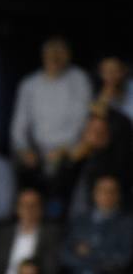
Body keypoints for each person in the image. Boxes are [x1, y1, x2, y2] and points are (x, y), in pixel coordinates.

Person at [10, 36, 92, 177]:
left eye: (59, 53)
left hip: (72, 152)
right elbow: (19, 124)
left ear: (68, 55)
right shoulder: (29, 84)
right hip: (39, 153)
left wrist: (67, 148)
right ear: (43, 56)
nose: (54, 58)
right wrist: (24, 149)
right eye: (50, 53)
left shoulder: (79, 78)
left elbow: (84, 118)